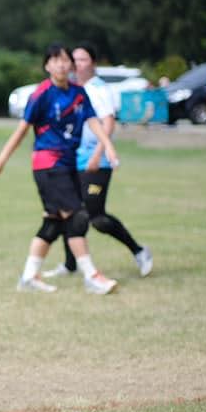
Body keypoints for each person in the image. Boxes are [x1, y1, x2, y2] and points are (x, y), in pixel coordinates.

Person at [0, 43, 120, 295]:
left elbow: (93, 120)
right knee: (77, 216)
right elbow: (22, 131)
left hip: (68, 163)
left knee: (54, 222)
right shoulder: (41, 95)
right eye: (55, 60)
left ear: (71, 65)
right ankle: (92, 276)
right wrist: (0, 161)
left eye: (65, 60)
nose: (61, 64)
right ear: (47, 65)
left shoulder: (79, 92)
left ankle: (28, 277)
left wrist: (108, 146)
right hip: (48, 164)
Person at [43, 44, 152, 279]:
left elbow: (107, 122)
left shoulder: (99, 89)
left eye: (83, 59)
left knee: (97, 218)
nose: (77, 64)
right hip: (71, 160)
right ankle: (70, 264)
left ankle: (140, 251)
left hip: (96, 161)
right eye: (75, 59)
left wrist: (98, 153)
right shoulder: (70, 89)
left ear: (93, 63)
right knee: (69, 212)